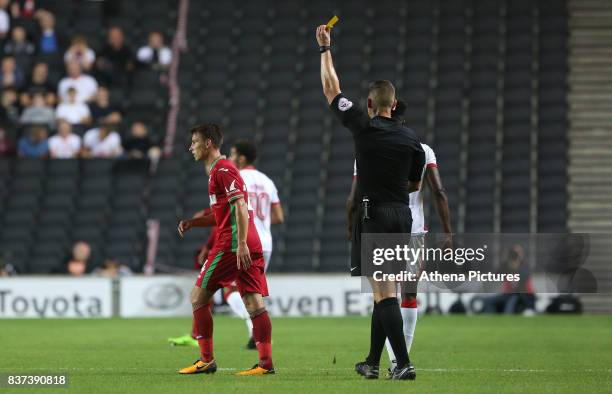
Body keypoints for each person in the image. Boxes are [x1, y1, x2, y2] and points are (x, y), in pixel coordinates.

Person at [317, 24, 425, 380]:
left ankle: (404, 363)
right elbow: (414, 182)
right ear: (394, 105)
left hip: (374, 215)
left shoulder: (363, 126)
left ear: (369, 104)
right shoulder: (412, 140)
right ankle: (372, 363)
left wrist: (325, 49)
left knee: (383, 293)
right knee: (384, 293)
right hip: (401, 216)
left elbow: (332, 90)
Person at [175, 123, 274, 376]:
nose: (191, 147)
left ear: (208, 143)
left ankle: (206, 359)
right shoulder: (218, 171)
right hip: (250, 241)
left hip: (233, 243)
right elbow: (224, 212)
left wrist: (239, 244)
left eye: (195, 142)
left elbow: (240, 206)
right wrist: (195, 222)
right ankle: (265, 364)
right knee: (253, 302)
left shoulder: (223, 169)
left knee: (198, 298)